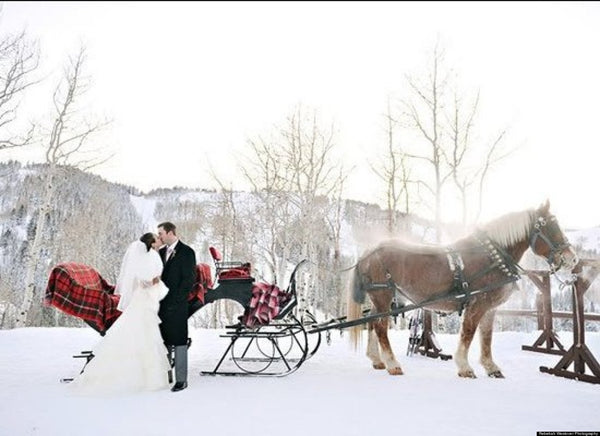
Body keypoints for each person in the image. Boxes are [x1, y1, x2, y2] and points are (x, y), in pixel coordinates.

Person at [70, 233, 171, 395]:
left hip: (149, 299)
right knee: (140, 332)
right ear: (152, 243)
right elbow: (140, 280)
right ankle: (138, 377)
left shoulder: (153, 255)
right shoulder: (144, 257)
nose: (160, 239)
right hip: (142, 299)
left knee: (145, 333)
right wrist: (153, 281)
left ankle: (147, 376)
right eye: (157, 238)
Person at [157, 221, 197, 392]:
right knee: (163, 341)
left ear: (170, 232)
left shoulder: (187, 252)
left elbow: (189, 280)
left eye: (161, 233)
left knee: (180, 341)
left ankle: (181, 380)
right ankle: (166, 376)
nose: (159, 237)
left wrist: (177, 301)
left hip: (178, 305)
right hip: (160, 305)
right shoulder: (160, 252)